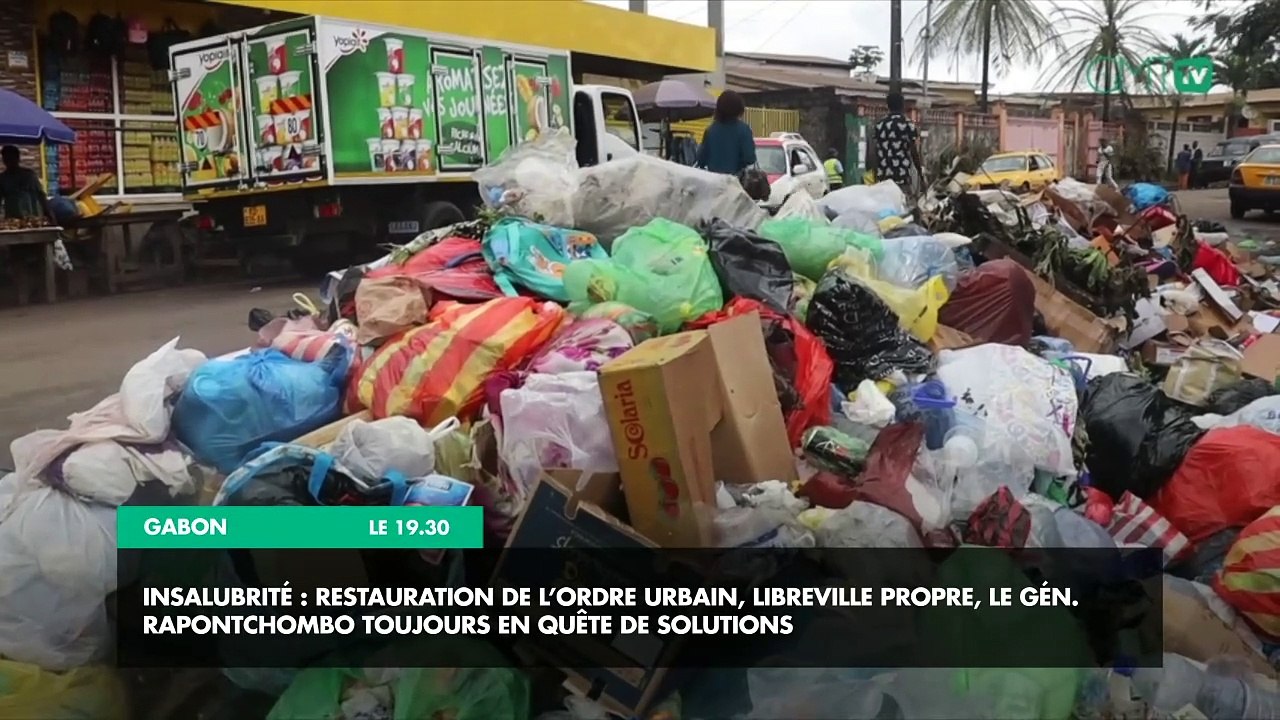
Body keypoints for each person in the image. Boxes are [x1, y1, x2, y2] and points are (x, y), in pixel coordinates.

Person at [869, 92, 922, 195]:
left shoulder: (880, 125)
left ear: (888, 106)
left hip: (883, 178)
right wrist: (920, 175)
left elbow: (874, 153)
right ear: (902, 106)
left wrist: (875, 176)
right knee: (902, 203)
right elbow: (914, 152)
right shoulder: (908, 125)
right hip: (901, 177)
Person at [696, 90, 756, 176]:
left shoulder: (710, 130)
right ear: (739, 108)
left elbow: (701, 160)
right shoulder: (744, 130)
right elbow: (750, 158)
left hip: (714, 179)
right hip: (735, 179)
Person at [0, 145, 52, 221]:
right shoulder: (3, 178)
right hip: (13, 218)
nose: (9, 161)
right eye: (6, 159)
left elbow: (41, 195)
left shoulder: (29, 175)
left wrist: (49, 214)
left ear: (17, 158)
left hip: (33, 216)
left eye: (11, 158)